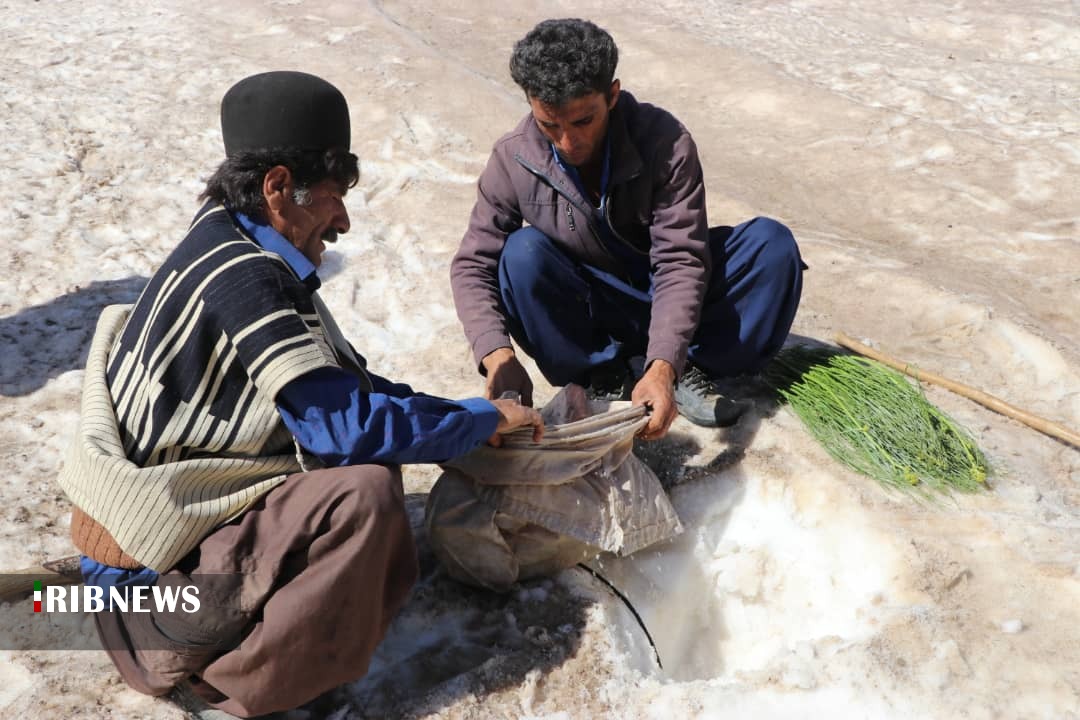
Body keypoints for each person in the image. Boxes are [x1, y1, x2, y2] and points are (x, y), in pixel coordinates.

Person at [56, 70, 543, 718]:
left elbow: (350, 390)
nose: (342, 220)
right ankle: (232, 689)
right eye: (334, 196)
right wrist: (475, 424)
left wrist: (473, 418)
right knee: (362, 493)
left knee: (370, 464)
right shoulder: (244, 277)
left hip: (151, 581)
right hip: (148, 614)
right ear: (278, 187)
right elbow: (343, 428)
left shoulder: (226, 238)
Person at [451, 18, 805, 439]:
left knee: (771, 246)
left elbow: (680, 260)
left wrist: (664, 365)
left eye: (583, 121)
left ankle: (686, 367)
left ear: (613, 95)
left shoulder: (665, 142)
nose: (568, 142)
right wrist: (497, 356)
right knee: (522, 255)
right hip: (595, 303)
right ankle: (602, 373)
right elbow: (473, 265)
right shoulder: (513, 159)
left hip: (672, 295)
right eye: (550, 125)